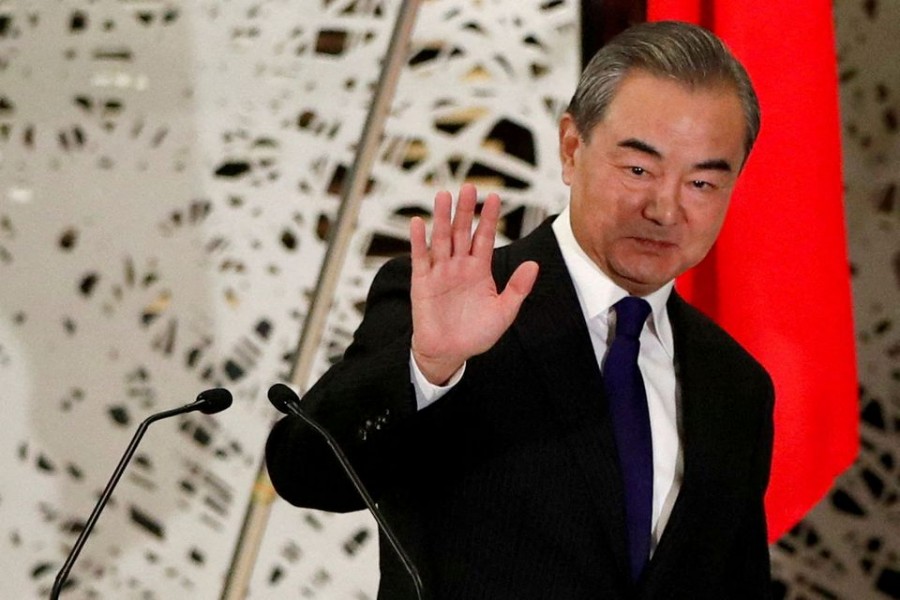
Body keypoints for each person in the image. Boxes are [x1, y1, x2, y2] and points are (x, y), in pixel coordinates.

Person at [266, 20, 774, 600]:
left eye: (703, 183)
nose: (665, 208)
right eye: (639, 169)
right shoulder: (457, 306)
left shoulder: (736, 386)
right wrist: (427, 368)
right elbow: (305, 473)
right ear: (571, 147)